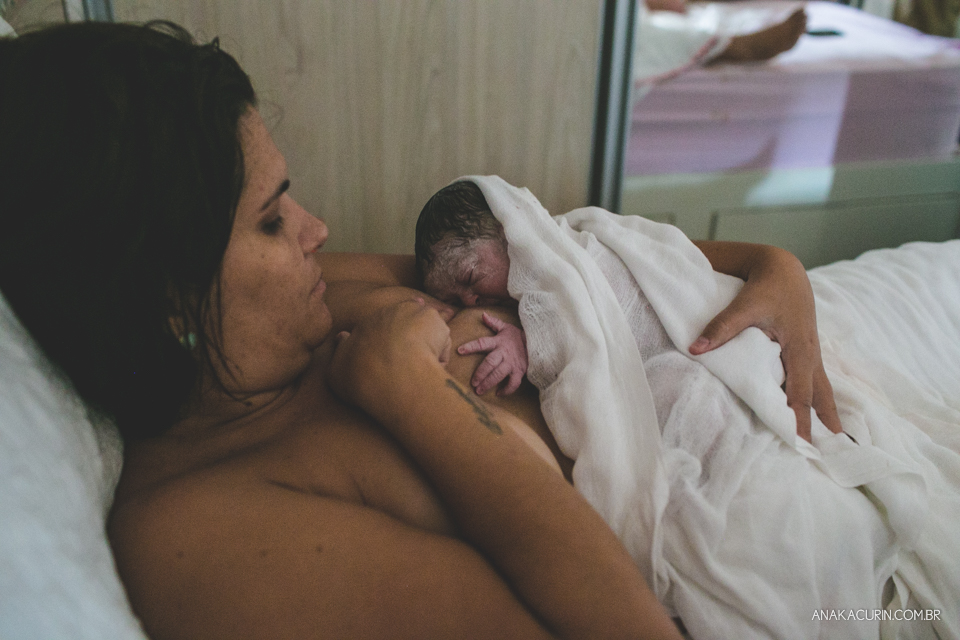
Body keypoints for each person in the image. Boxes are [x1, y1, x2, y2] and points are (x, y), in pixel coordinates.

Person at [0, 20, 840, 639]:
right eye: (268, 221)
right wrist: (413, 400)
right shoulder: (199, 535)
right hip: (729, 543)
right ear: (167, 298)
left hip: (717, 403)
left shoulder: (294, 308)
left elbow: (549, 256)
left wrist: (767, 265)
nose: (317, 229)